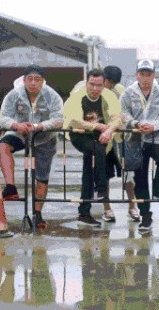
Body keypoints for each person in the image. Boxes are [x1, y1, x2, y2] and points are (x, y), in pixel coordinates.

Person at [0, 64, 63, 228]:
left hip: (45, 136)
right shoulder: (14, 94)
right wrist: (15, 125)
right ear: (24, 80)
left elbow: (59, 120)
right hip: (20, 131)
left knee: (42, 176)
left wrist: (39, 126)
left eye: (37, 79)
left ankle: (37, 214)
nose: (33, 83)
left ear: (42, 81)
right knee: (3, 145)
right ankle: (11, 187)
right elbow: (3, 117)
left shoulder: (52, 96)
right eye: (30, 79)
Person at [63, 68, 122, 226]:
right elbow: (75, 120)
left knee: (88, 170)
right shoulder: (77, 95)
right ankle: (101, 189)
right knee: (98, 150)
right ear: (86, 82)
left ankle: (84, 211)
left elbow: (118, 118)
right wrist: (98, 126)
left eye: (99, 85)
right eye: (92, 84)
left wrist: (109, 130)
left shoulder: (109, 95)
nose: (95, 89)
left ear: (104, 84)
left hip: (98, 135)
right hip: (78, 134)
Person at [121, 59, 159, 231]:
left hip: (156, 136)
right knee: (140, 177)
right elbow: (122, 113)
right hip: (135, 139)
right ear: (137, 75)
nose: (145, 77)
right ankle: (145, 216)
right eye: (142, 74)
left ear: (154, 75)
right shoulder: (128, 93)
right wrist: (136, 124)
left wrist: (154, 125)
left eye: (148, 74)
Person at [102, 66, 139, 222]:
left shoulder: (121, 91)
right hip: (102, 139)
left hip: (120, 138)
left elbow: (125, 113)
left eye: (112, 83)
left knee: (128, 174)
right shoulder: (94, 89)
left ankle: (132, 206)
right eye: (108, 82)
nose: (109, 86)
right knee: (103, 176)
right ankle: (107, 209)